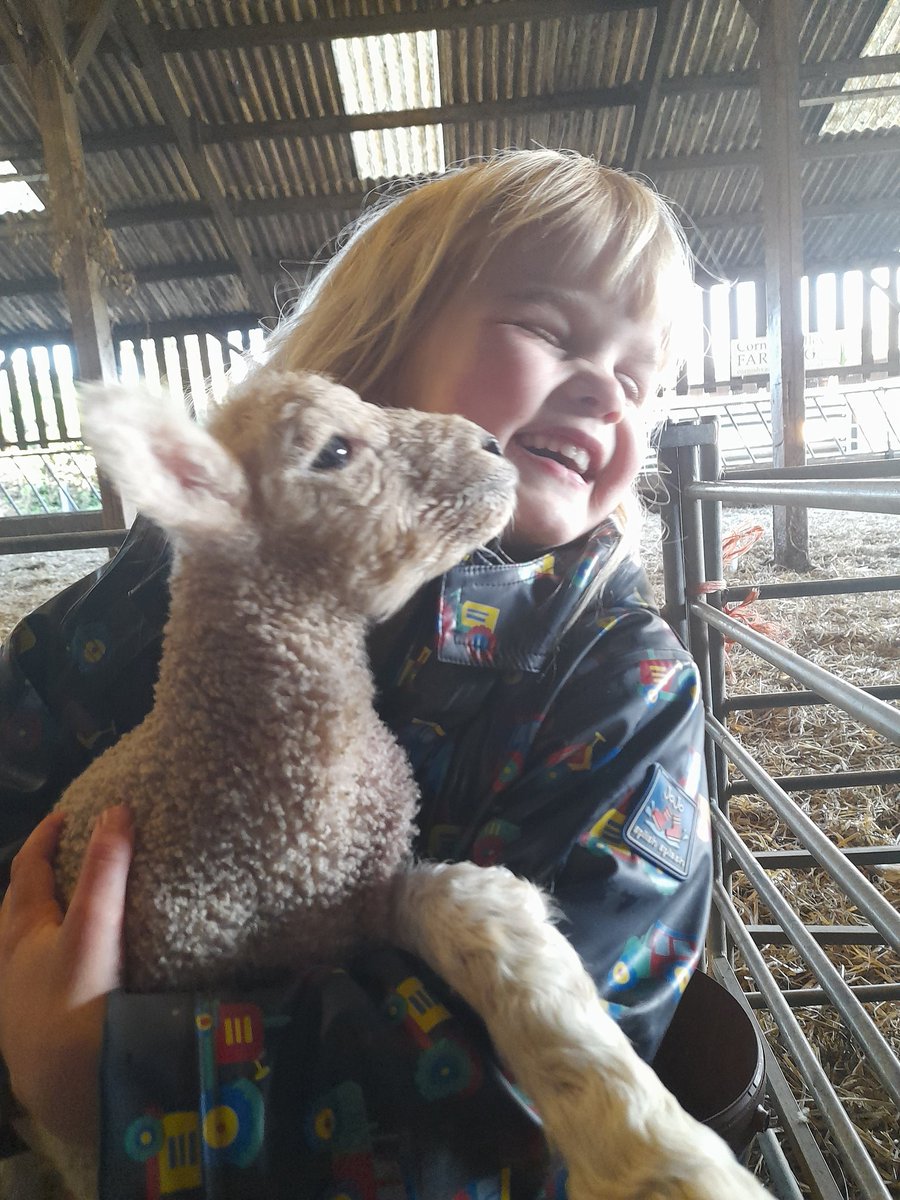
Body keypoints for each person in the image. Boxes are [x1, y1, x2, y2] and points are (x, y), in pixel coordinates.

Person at [0, 149, 711, 1197]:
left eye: (642, 380)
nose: (608, 391)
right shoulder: (185, 570)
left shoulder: (620, 687)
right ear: (379, 347)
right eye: (551, 331)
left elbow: (533, 1078)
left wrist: (117, 1081)